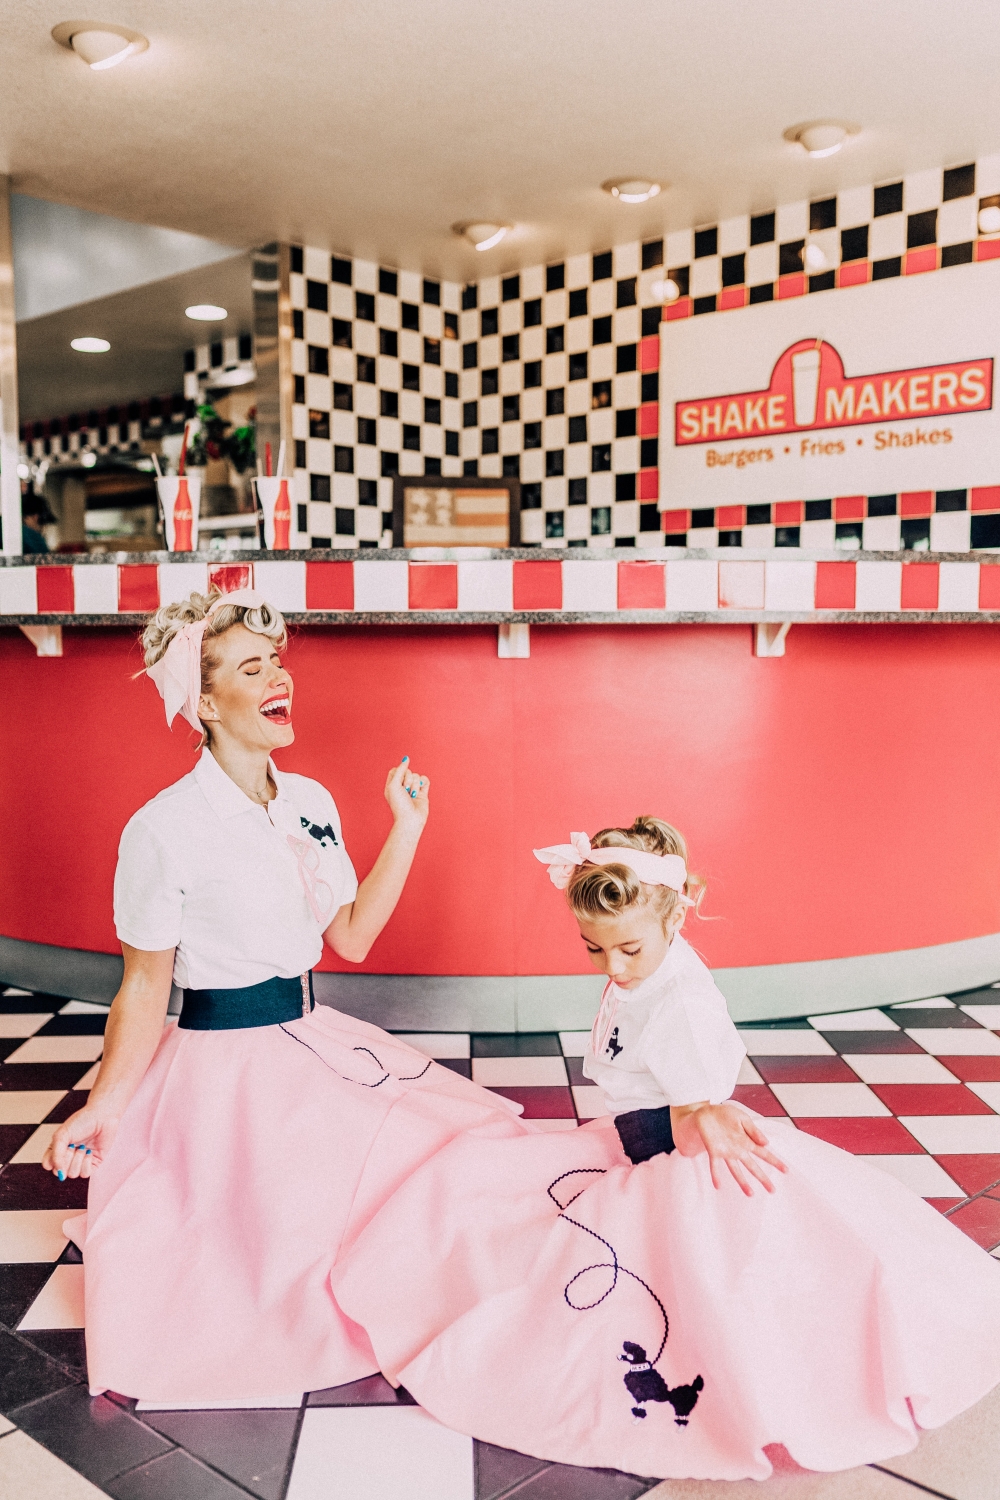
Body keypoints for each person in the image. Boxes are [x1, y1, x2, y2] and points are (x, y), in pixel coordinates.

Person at [42, 588, 778, 1409]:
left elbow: (351, 936)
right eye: (253, 666)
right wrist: (103, 1106)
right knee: (293, 1252)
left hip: (314, 1038)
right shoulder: (161, 829)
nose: (280, 675)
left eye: (278, 659)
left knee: (460, 1159)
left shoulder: (309, 801)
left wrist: (407, 825)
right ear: (206, 702)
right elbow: (142, 986)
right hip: (225, 1075)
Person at [331, 817, 1000, 1481]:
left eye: (628, 949)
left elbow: (696, 1093)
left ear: (676, 918)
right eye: (594, 949)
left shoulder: (680, 1004)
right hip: (640, 1139)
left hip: (670, 1155)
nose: (612, 966)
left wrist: (698, 1112)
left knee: (697, 1289)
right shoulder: (650, 968)